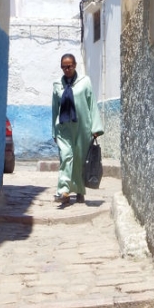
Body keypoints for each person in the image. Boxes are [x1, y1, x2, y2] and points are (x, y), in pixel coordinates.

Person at [51, 53, 103, 205]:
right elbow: (55, 108)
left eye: (69, 66)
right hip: (63, 128)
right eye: (63, 67)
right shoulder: (57, 85)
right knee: (66, 157)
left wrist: (95, 128)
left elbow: (91, 103)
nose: (66, 69)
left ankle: (79, 191)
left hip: (82, 126)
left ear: (74, 66)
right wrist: (53, 131)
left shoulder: (85, 82)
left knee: (79, 160)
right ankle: (63, 191)